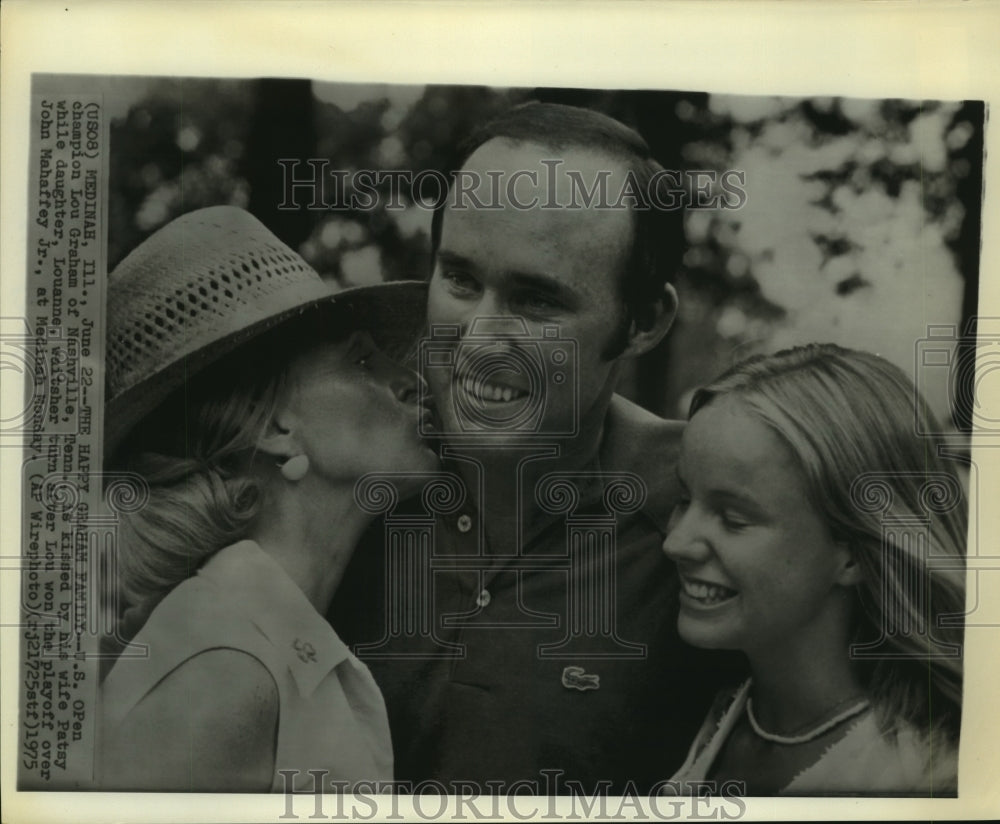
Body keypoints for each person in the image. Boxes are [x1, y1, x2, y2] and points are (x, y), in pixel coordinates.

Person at [330, 102, 734, 794]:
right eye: (460, 280)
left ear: (644, 322)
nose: (481, 338)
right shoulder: (343, 480)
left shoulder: (706, 526)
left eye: (536, 300)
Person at [97, 206, 436, 791]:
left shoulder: (261, 633)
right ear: (276, 426)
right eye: (360, 359)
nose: (408, 378)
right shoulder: (225, 665)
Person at [664, 344, 966, 795]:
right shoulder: (711, 709)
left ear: (853, 554)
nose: (675, 543)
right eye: (684, 500)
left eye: (734, 519)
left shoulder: (920, 780)